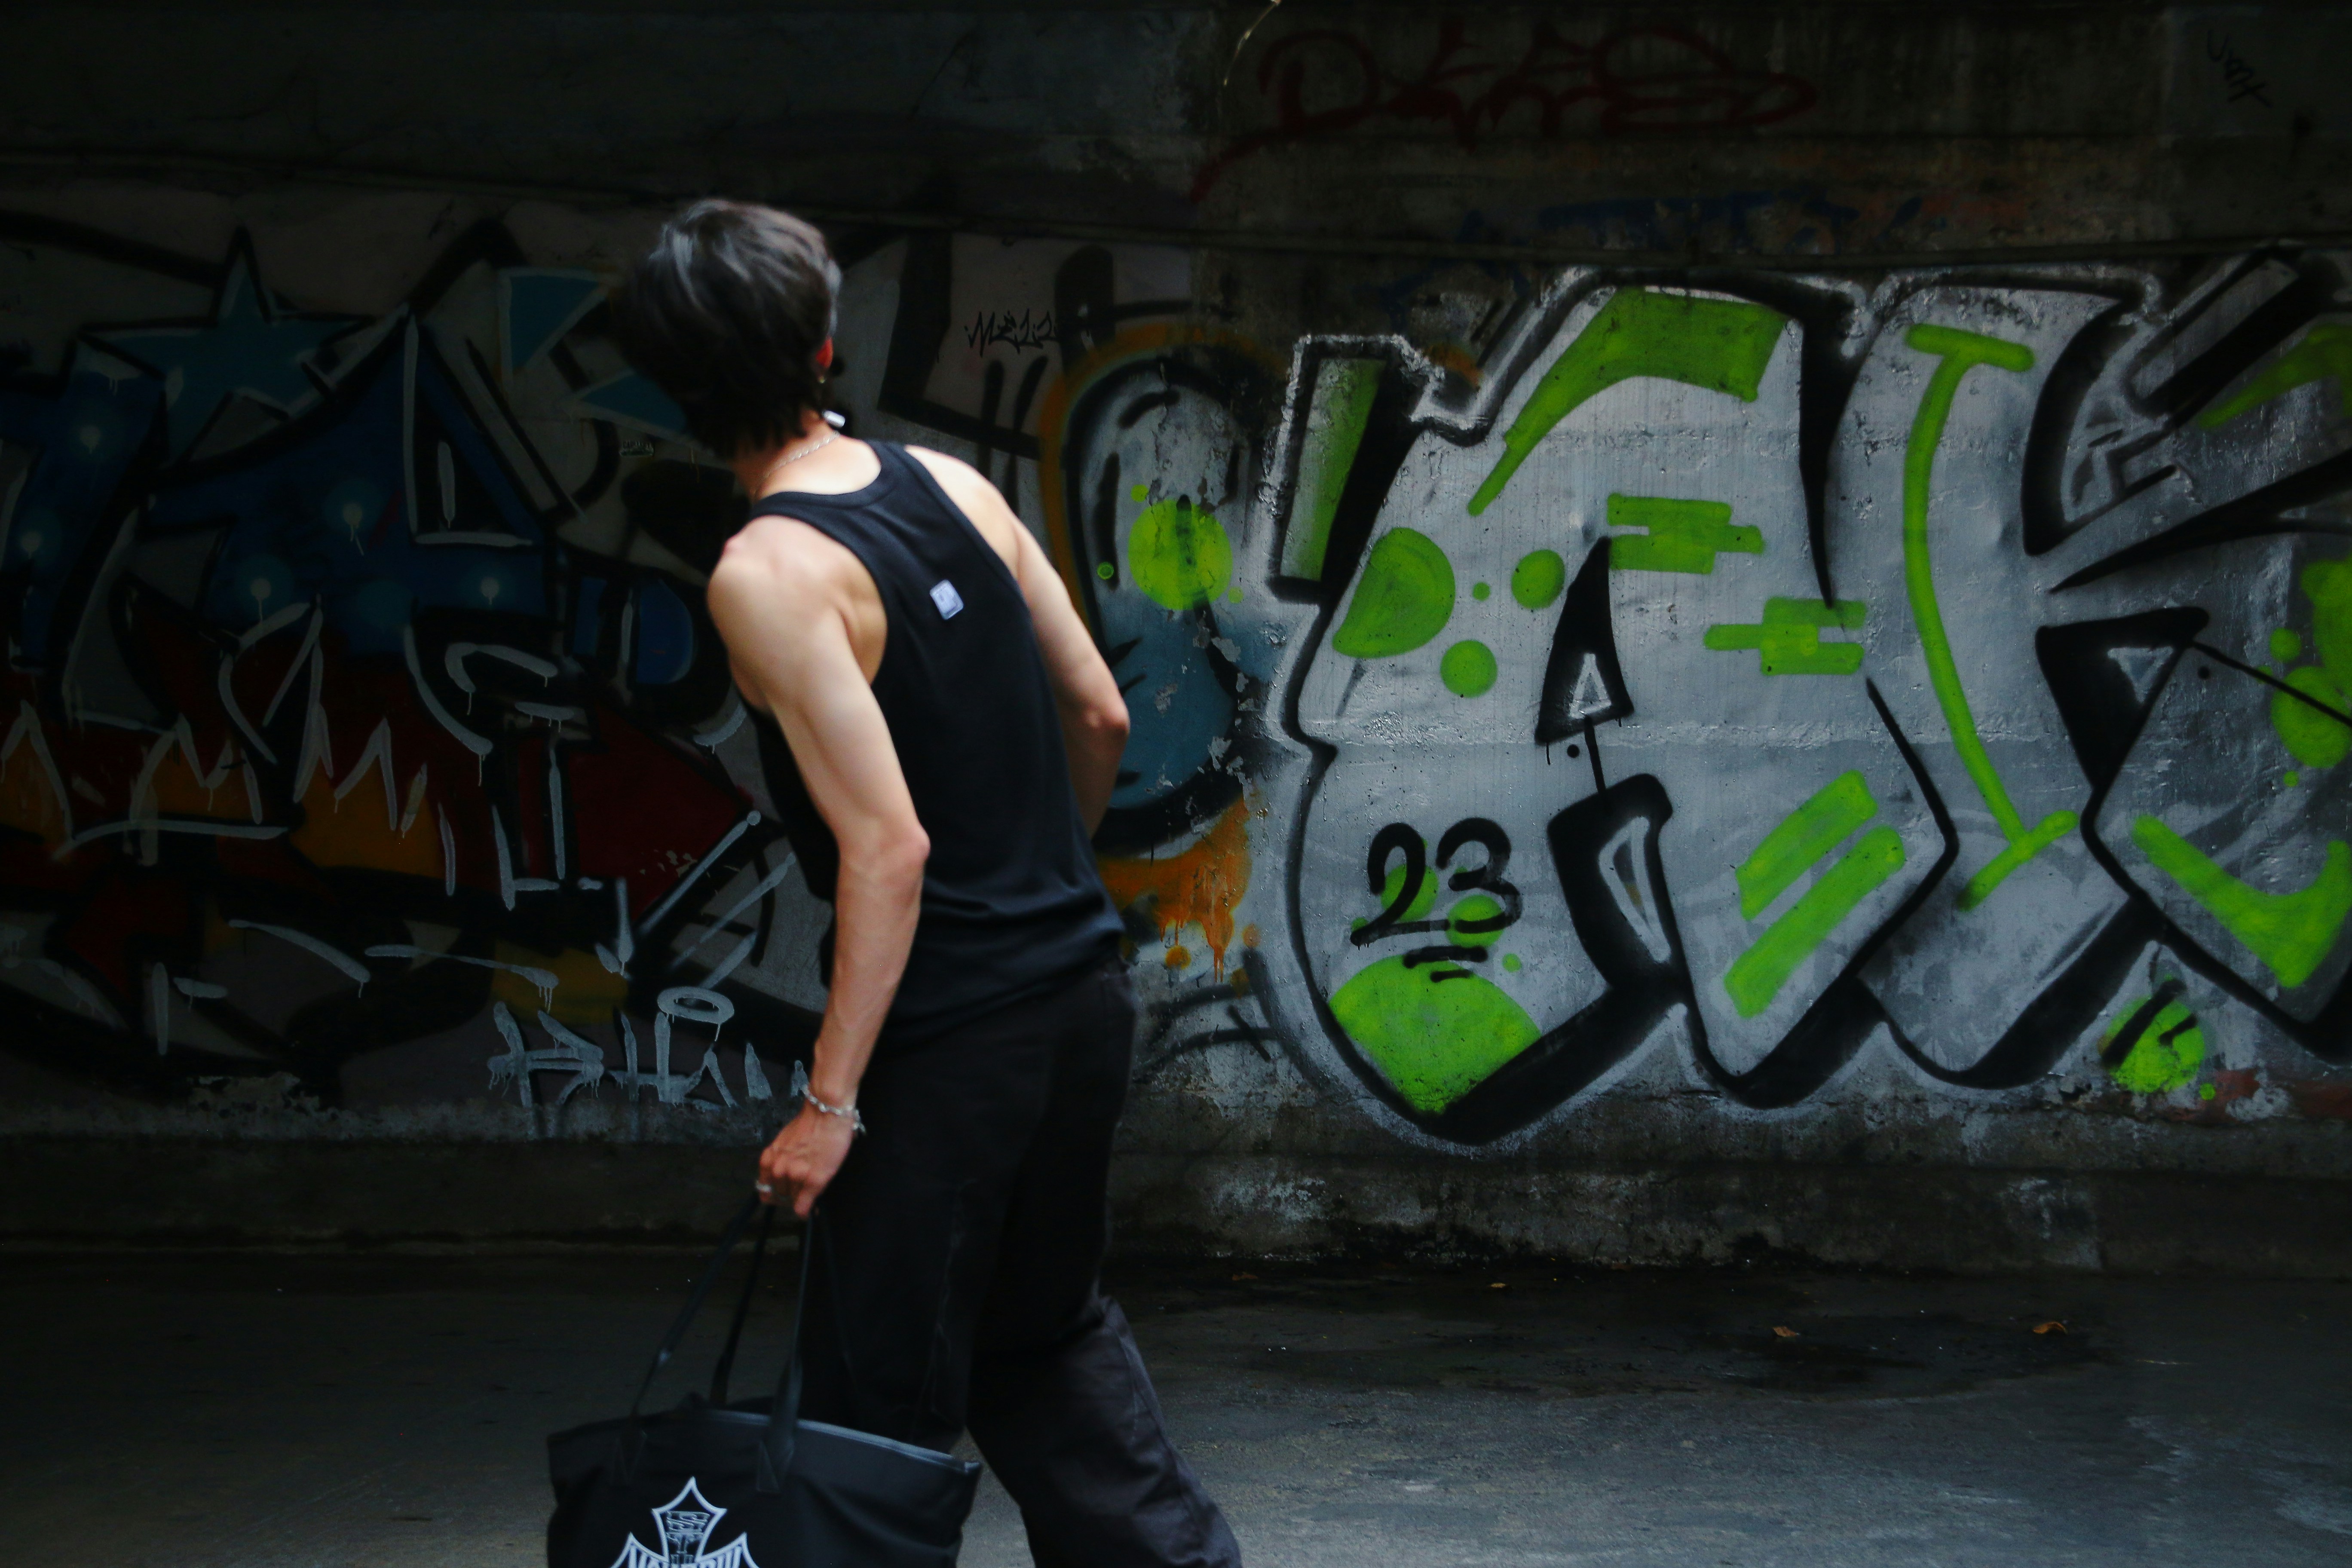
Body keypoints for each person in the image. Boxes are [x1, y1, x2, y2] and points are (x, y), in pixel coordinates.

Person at [613, 200, 1242, 1568]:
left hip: (952, 1042)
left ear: (676, 389)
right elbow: (1102, 720)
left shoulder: (767, 573)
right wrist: (1045, 888)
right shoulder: (950, 485)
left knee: (870, 1412)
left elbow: (886, 848)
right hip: (1075, 997)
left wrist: (830, 1104)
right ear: (825, 347)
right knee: (1041, 1333)